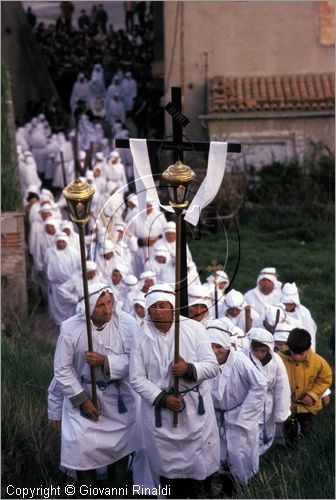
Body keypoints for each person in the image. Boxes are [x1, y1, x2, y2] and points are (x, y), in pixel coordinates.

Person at [130, 284, 220, 499]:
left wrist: (188, 369)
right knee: (168, 470)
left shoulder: (195, 329)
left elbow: (212, 366)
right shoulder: (140, 336)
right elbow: (136, 377)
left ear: (172, 307)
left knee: (199, 467)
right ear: (148, 311)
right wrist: (162, 398)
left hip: (194, 412)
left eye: (163, 305)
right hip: (160, 413)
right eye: (154, 307)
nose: (159, 311)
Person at [53, 283, 140, 487]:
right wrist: (83, 400)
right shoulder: (70, 328)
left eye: (109, 303)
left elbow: (136, 362)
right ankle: (88, 491)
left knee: (119, 448)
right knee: (80, 446)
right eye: (100, 305)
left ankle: (115, 490)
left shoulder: (127, 324)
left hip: (118, 397)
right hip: (83, 393)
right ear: (88, 308)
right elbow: (62, 369)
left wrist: (105, 361)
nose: (107, 309)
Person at [207, 320, 267, 493]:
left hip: (238, 413)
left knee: (240, 453)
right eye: (210, 346)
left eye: (218, 346)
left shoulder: (240, 361)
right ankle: (227, 488)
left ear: (226, 345)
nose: (214, 351)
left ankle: (247, 485)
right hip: (216, 416)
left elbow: (260, 385)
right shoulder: (205, 362)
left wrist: (247, 414)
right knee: (220, 453)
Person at [279, 328, 332, 443]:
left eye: (301, 354)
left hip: (308, 407)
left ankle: (307, 449)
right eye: (294, 353)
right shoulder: (279, 360)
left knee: (307, 431)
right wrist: (284, 400)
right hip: (288, 405)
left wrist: (312, 395)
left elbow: (325, 379)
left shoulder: (318, 362)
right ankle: (290, 449)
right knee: (289, 431)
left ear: (308, 348)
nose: (297, 357)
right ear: (289, 347)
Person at [245, 328, 291, 455]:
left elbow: (282, 388)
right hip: (247, 401)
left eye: (263, 351)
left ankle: (260, 459)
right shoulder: (244, 358)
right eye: (256, 350)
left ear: (269, 349)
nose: (259, 354)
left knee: (263, 434)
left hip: (267, 404)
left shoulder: (276, 361)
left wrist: (280, 413)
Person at [280, 282, 317, 351]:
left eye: (290, 304)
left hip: (299, 347)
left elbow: (310, 333)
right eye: (285, 304)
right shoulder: (277, 311)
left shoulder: (304, 312)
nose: (288, 306)